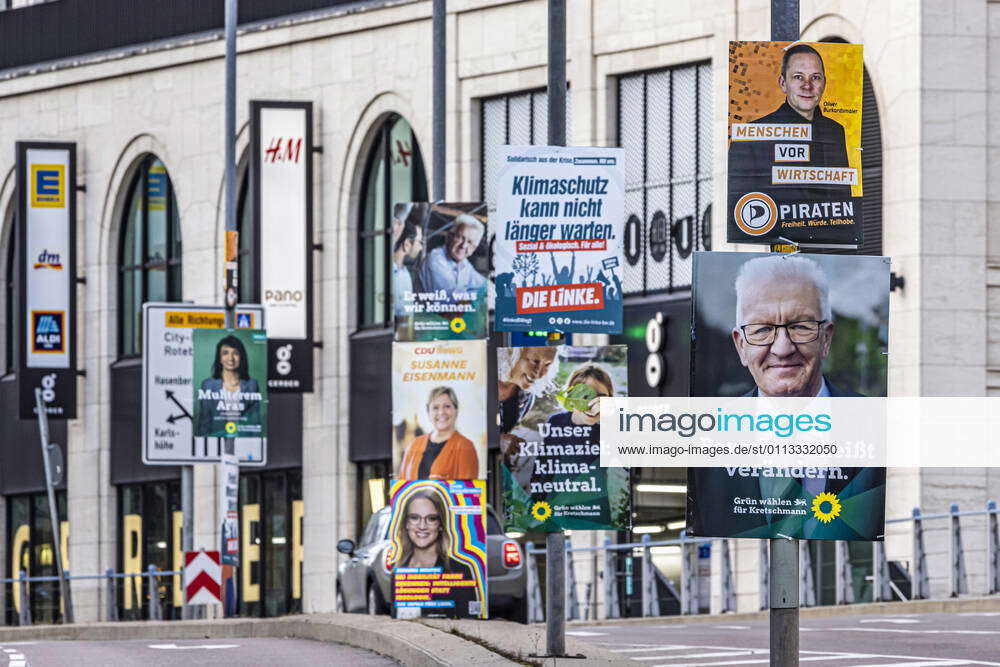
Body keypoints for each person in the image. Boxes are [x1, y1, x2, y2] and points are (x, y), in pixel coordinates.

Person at [730, 254, 862, 397]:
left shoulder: (873, 418)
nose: (782, 350)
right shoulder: (720, 419)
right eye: (763, 329)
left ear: (826, 339)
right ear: (741, 346)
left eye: (800, 327)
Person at [391, 490, 480, 618]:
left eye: (431, 519)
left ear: (440, 525)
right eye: (414, 517)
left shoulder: (460, 570)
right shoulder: (397, 570)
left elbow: (468, 619)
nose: (422, 526)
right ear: (406, 523)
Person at [497, 347, 559, 470]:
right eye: (534, 361)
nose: (539, 372)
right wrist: (497, 442)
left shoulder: (526, 396)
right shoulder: (478, 382)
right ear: (510, 357)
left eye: (547, 365)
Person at [398, 387, 479, 480]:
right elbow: (402, 484)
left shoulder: (466, 446)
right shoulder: (414, 445)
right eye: (435, 407)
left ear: (456, 410)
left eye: (447, 406)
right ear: (428, 412)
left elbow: (467, 490)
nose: (441, 412)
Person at [196, 335, 262, 435]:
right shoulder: (208, 385)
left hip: (244, 441)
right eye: (225, 353)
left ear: (241, 357)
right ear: (219, 358)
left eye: (235, 353)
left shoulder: (252, 385)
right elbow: (204, 424)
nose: (230, 358)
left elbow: (255, 423)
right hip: (215, 439)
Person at [418, 214, 486, 296]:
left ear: (473, 249)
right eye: (460, 238)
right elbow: (451, 298)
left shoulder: (464, 264)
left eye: (469, 242)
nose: (463, 246)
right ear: (449, 237)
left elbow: (483, 284)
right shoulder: (436, 258)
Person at [392, 215, 424, 317]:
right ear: (406, 244)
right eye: (419, 242)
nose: (421, 247)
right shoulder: (388, 275)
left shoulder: (405, 275)